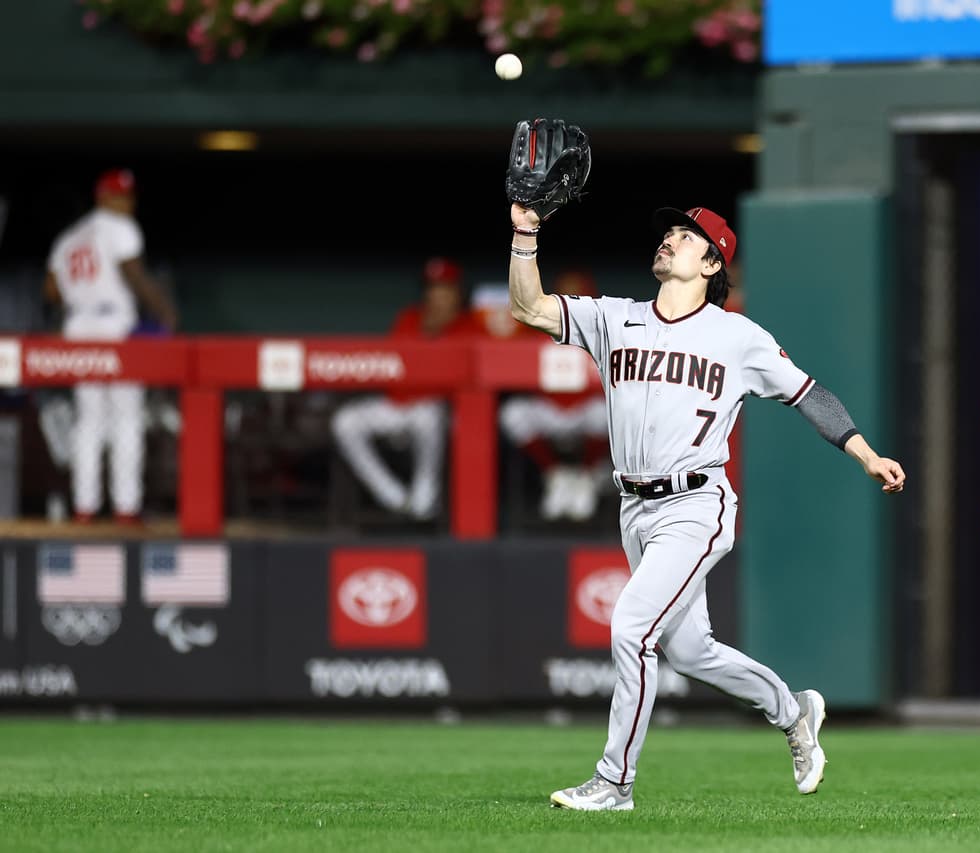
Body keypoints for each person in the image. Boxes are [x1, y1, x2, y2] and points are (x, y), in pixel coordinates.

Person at [508, 202, 906, 811]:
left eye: (685, 237)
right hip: (634, 507)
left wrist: (866, 453)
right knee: (690, 651)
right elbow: (528, 306)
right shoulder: (616, 318)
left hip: (696, 502)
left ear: (712, 261)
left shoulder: (736, 335)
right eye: (667, 232)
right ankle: (793, 711)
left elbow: (809, 394)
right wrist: (525, 232)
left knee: (632, 629)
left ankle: (615, 784)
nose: (669, 240)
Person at [44, 169, 177, 524]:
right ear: (103, 196)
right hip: (112, 324)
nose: (127, 202)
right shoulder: (119, 227)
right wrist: (165, 312)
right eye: (120, 195)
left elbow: (51, 291)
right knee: (126, 416)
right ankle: (126, 508)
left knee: (89, 419)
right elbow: (133, 274)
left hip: (78, 324)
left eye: (130, 195)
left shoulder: (69, 237)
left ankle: (85, 507)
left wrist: (80, 295)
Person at [331, 257, 476, 520]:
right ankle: (391, 495)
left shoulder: (470, 325)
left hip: (437, 410)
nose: (437, 296)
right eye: (432, 289)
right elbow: (391, 364)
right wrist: (428, 332)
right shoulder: (409, 318)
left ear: (458, 293)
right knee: (345, 421)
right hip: (397, 405)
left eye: (444, 289)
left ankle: (424, 501)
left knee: (428, 416)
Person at [498, 269, 610, 522]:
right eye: (565, 294)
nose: (570, 299)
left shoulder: (602, 328)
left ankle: (587, 474)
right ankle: (554, 473)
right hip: (546, 408)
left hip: (585, 410)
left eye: (577, 294)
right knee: (513, 413)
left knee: (606, 413)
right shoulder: (535, 325)